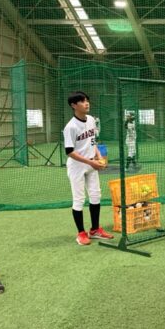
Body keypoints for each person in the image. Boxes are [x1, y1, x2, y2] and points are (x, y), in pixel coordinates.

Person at [63, 91, 112, 246]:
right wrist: (91, 163)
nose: (87, 103)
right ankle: (81, 233)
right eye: (82, 101)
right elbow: (69, 152)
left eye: (87, 100)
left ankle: (95, 230)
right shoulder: (70, 127)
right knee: (79, 200)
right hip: (77, 166)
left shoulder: (91, 120)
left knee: (96, 196)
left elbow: (92, 141)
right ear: (73, 105)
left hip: (91, 163)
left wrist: (99, 156)